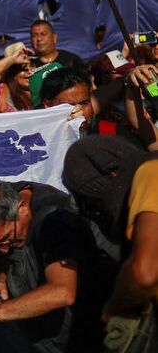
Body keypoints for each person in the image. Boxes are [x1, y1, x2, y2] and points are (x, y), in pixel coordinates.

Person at [0, 179, 104, 353]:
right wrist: (1, 282)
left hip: (84, 335)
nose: (4, 250)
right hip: (37, 338)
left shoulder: (56, 221)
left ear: (22, 207)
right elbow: (1, 253)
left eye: (7, 239)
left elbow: (62, 292)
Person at [62, 136, 158, 331]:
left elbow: (144, 273)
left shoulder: (151, 172)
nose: (99, 212)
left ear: (112, 174)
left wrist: (113, 307)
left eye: (92, 202)